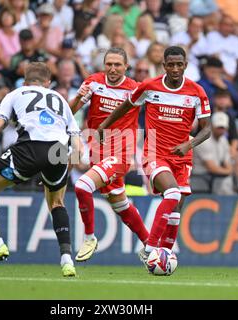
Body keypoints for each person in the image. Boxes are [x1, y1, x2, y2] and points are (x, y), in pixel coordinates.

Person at [0, 62, 80, 277]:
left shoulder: (16, 93)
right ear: (48, 83)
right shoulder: (60, 100)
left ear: (25, 79)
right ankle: (67, 260)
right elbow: (77, 145)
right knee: (57, 202)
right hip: (59, 152)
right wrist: (63, 170)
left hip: (29, 148)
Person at [96, 46, 212, 268]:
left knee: (176, 208)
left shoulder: (196, 92)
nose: (176, 68)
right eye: (171, 64)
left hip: (183, 156)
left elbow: (207, 129)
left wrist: (190, 143)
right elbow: (126, 105)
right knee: (172, 193)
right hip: (155, 153)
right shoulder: (149, 86)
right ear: (164, 65)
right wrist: (103, 125)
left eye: (180, 64)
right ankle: (150, 248)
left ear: (186, 65)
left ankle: (164, 258)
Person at [69, 47, 149, 262]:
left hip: (121, 154)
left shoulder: (136, 89)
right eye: (109, 64)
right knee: (120, 204)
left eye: (117, 65)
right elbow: (70, 113)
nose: (113, 69)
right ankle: (151, 247)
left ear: (126, 67)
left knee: (82, 186)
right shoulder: (93, 82)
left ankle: (89, 237)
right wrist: (78, 98)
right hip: (98, 153)